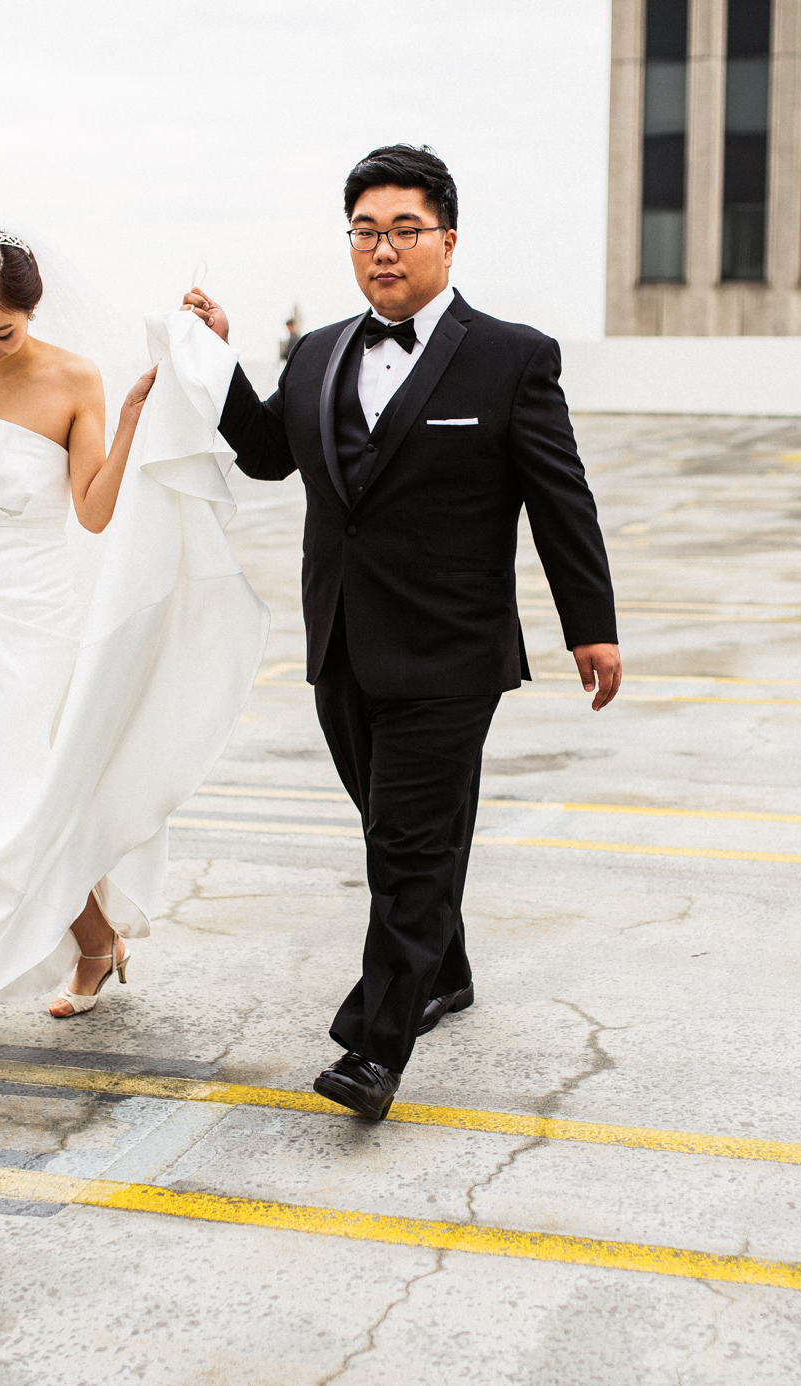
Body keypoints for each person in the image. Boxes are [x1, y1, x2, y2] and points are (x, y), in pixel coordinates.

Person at [186, 146, 620, 1120]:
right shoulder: (316, 352)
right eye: (365, 230)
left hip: (451, 650)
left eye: (404, 229)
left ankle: (374, 1049)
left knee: (408, 848)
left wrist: (587, 625)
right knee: (398, 833)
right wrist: (217, 355)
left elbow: (561, 500)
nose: (382, 249)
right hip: (342, 642)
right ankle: (443, 971)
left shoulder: (512, 356)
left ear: (447, 240)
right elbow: (264, 458)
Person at [0, 230, 267, 1097]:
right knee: (18, 804)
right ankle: (96, 941)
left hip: (42, 623)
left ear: (31, 313)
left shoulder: (72, 377)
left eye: (2, 334)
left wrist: (133, 423)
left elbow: (96, 512)